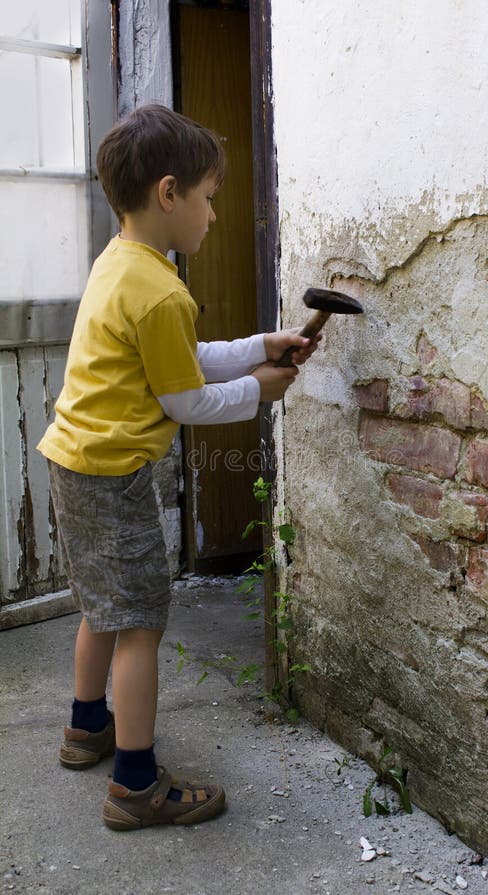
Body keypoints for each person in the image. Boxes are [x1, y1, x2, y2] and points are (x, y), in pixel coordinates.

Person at [37, 103, 318, 831]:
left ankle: (85, 726)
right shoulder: (162, 290)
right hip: (112, 476)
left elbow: (180, 363)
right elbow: (187, 399)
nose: (214, 216)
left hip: (77, 461)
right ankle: (135, 784)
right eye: (209, 198)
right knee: (140, 623)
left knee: (104, 605)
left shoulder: (123, 262)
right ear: (169, 194)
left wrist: (259, 343)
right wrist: (259, 388)